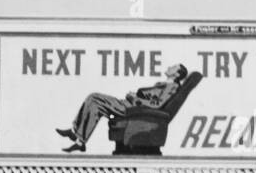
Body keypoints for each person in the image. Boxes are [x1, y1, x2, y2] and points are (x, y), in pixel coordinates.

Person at [57, 62, 189, 152]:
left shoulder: (172, 87)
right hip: (128, 107)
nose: (170, 67)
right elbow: (152, 99)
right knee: (96, 107)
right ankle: (80, 141)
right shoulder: (164, 84)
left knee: (94, 97)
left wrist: (135, 99)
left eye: (173, 67)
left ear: (176, 74)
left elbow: (157, 104)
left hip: (130, 110)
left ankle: (76, 134)